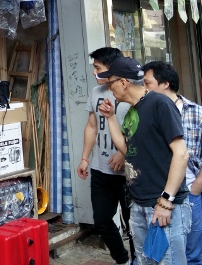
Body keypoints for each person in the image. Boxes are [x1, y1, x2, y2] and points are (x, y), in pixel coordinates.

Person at [98, 57, 190, 265]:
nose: (109, 89)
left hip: (162, 204)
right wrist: (110, 118)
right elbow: (127, 150)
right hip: (139, 203)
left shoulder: (160, 103)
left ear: (123, 82)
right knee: (145, 261)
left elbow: (181, 153)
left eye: (110, 83)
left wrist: (166, 200)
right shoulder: (132, 112)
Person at [142, 61, 202, 265]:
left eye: (147, 83)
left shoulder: (196, 113)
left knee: (191, 254)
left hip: (188, 195)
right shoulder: (143, 112)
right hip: (153, 194)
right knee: (156, 253)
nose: (143, 88)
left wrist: (195, 189)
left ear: (165, 83)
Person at [77, 47, 134, 265]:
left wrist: (123, 153)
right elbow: (92, 126)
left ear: (112, 68)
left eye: (98, 68)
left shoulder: (129, 92)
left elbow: (141, 130)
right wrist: (85, 158)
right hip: (101, 169)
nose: (94, 72)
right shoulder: (96, 92)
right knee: (101, 221)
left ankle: (138, 260)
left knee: (133, 223)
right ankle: (122, 259)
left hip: (128, 173)